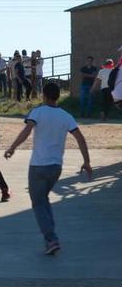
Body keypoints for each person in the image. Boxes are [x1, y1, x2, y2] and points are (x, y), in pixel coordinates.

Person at [5, 82, 92, 255]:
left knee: (38, 204)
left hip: (38, 166)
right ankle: (51, 235)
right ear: (58, 96)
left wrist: (12, 147)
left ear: (44, 95)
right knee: (43, 200)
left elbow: (27, 131)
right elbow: (80, 139)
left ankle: (51, 239)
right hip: (56, 167)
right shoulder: (66, 116)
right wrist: (86, 161)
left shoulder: (37, 112)